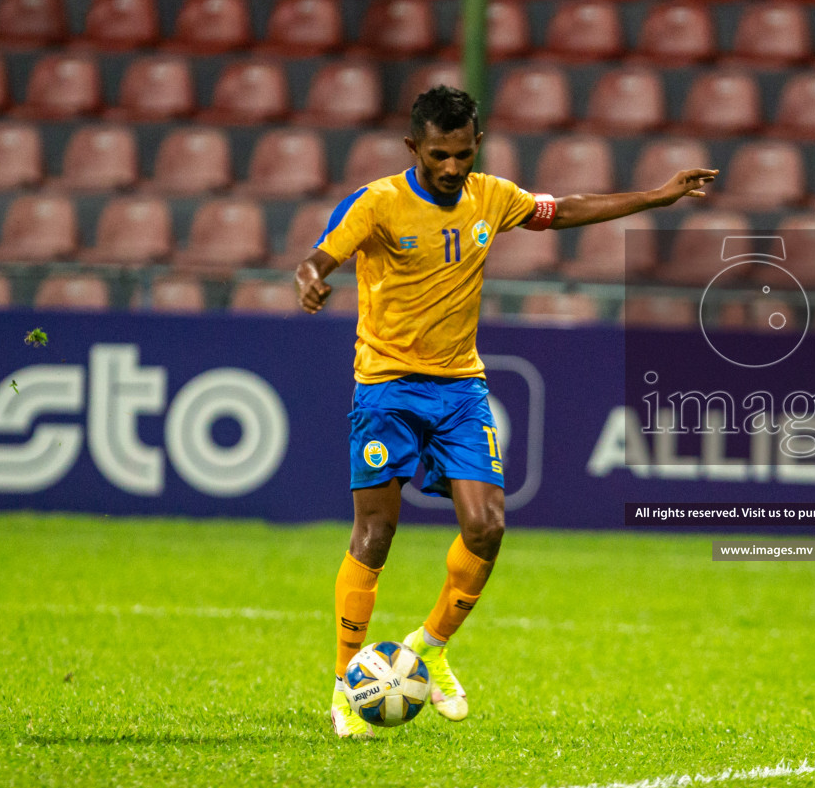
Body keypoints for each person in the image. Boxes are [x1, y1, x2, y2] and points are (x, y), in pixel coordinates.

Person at [295, 85, 717, 738]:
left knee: (487, 526)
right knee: (376, 535)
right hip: (385, 387)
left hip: (461, 387)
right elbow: (324, 252)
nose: (452, 167)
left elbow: (564, 209)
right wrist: (313, 277)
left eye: (463, 153)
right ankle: (346, 687)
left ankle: (429, 648)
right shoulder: (378, 203)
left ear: (477, 145)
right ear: (414, 148)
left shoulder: (491, 196)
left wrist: (653, 196)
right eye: (439, 154)